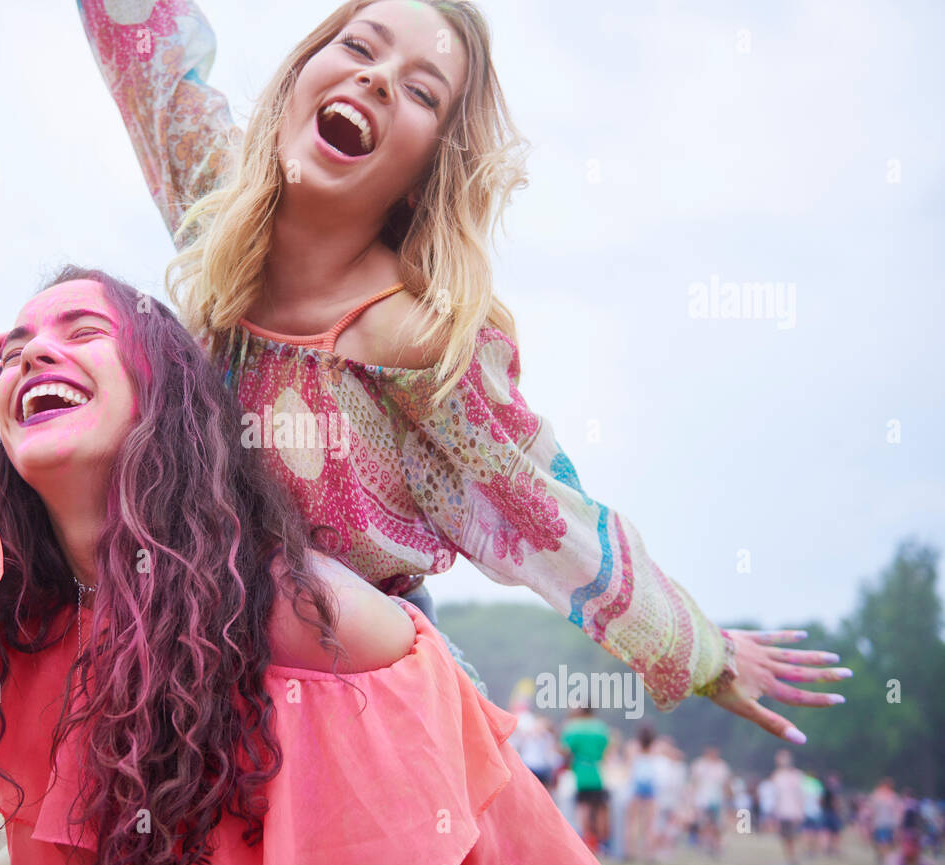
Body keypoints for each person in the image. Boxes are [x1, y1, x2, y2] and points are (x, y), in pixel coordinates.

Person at [75, 0, 851, 737]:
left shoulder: (417, 341)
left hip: (356, 696)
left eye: (420, 90)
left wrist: (702, 653)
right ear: (296, 79)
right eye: (358, 45)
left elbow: (544, 511)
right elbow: (149, 55)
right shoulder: (218, 200)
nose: (377, 79)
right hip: (184, 661)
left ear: (423, 170)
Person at [0, 267, 597, 865]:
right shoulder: (17, 624)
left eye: (82, 330)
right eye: (11, 351)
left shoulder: (289, 608)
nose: (33, 352)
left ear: (160, 391)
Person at [559, 707, 610, 854]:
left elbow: (564, 749)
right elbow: (606, 750)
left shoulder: (573, 727)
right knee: (600, 808)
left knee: (584, 808)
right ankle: (602, 843)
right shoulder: (601, 727)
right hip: (598, 772)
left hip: (581, 773)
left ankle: (589, 842)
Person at [689, 745, 731, 857]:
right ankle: (705, 845)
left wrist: (727, 800)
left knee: (716, 825)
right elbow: (694, 783)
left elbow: (726, 785)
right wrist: (692, 800)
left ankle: (715, 845)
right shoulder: (699, 765)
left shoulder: (722, 766)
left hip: (717, 800)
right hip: (703, 800)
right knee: (704, 824)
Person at [624, 725, 658, 864]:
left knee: (632, 821)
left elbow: (628, 766)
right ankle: (648, 853)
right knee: (649, 823)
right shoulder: (655, 748)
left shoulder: (632, 748)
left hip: (636, 785)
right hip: (650, 786)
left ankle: (630, 852)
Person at [770, 750, 806, 865]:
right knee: (785, 838)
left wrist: (800, 812)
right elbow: (776, 796)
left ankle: (794, 860)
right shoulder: (777, 776)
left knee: (793, 837)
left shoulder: (797, 775)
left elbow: (800, 795)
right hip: (782, 812)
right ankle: (790, 860)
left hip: (794, 812)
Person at [867, 778, 901, 865]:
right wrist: (871, 822)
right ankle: (881, 857)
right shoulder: (877, 795)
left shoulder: (893, 797)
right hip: (879, 823)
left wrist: (897, 824)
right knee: (879, 842)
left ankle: (884, 859)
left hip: (889, 824)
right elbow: (872, 809)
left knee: (886, 842)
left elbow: (897, 811)